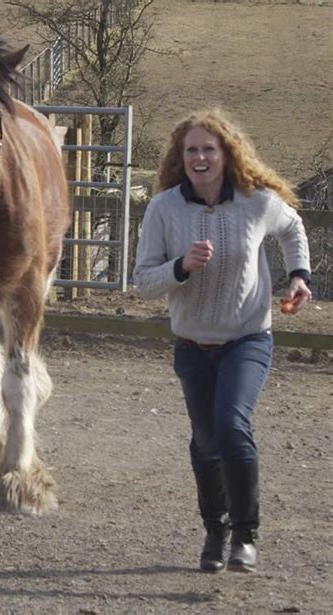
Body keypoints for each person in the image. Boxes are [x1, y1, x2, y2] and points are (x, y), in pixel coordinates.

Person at [133, 108, 312, 573]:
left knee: (232, 426)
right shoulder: (164, 209)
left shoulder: (255, 201)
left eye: (208, 149)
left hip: (247, 339)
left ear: (226, 154)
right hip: (192, 345)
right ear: (180, 156)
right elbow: (143, 282)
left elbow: (292, 226)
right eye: (191, 150)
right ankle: (216, 531)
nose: (200, 157)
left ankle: (246, 536)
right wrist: (181, 267)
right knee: (206, 440)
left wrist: (298, 276)